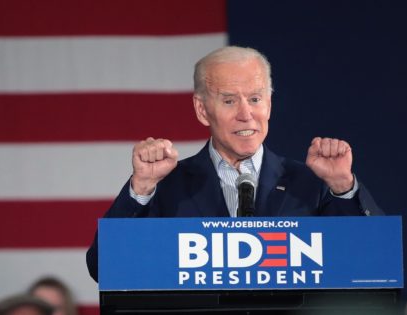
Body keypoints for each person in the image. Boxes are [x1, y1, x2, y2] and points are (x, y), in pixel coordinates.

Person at [86, 46, 383, 282]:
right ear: (202, 110)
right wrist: (141, 188)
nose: (246, 114)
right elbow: (105, 267)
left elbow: (373, 258)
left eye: (255, 99)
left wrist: (343, 187)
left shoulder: (311, 184)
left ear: (269, 104)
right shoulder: (167, 187)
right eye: (229, 101)